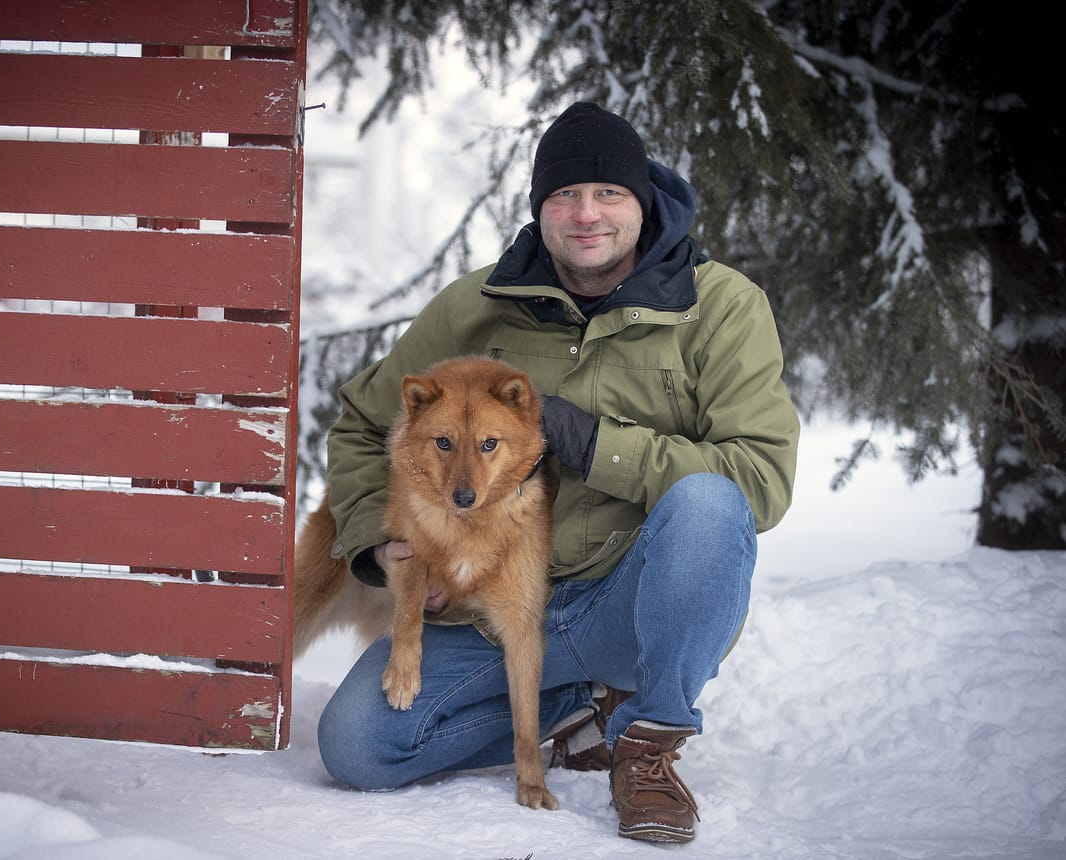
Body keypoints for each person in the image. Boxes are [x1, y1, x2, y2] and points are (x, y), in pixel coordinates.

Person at [314, 101, 800, 844]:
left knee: (708, 503)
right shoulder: (477, 306)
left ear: (643, 200)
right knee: (358, 746)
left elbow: (758, 480)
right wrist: (377, 544)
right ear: (540, 208)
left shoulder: (722, 308)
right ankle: (574, 707)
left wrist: (597, 440)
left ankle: (647, 742)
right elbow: (362, 423)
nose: (586, 214)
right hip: (490, 607)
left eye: (608, 194)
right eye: (564, 195)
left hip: (620, 602)